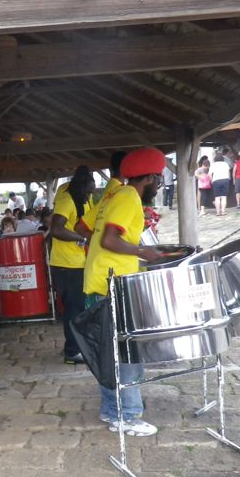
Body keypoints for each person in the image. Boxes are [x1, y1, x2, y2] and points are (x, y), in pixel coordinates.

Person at [83, 147, 167, 436]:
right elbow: (109, 239)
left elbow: (95, 232)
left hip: (101, 279)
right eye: (159, 179)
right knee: (127, 351)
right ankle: (128, 416)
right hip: (113, 283)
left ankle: (112, 410)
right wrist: (143, 252)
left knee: (110, 351)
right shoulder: (129, 196)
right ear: (150, 178)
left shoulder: (114, 195)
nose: (159, 185)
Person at [50, 165, 95, 365]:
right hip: (66, 264)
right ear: (79, 188)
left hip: (78, 262)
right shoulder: (67, 200)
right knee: (74, 308)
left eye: (91, 193)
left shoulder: (81, 197)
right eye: (87, 193)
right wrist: (81, 238)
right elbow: (56, 229)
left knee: (79, 307)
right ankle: (72, 352)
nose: (88, 197)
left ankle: (78, 346)